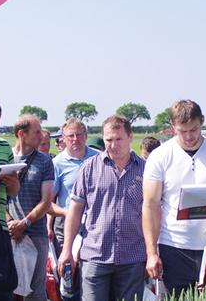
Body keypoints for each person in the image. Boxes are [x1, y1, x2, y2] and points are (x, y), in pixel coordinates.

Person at [143, 100, 206, 298]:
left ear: (202, 121)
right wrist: (152, 252)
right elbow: (150, 205)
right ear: (173, 127)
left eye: (194, 129)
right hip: (173, 246)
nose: (189, 136)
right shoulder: (160, 156)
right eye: (182, 131)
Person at [57, 115, 146, 301]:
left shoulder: (145, 170)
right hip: (95, 255)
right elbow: (75, 210)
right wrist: (66, 249)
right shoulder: (89, 168)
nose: (113, 145)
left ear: (130, 137)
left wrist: (153, 252)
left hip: (132, 256)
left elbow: (153, 213)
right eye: (108, 140)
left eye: (118, 139)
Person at [49, 118, 99, 300]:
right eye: (71, 136)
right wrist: (66, 212)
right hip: (66, 226)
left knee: (91, 274)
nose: (75, 139)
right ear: (63, 138)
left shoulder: (98, 158)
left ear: (86, 136)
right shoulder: (57, 163)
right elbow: (48, 202)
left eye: (79, 135)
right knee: (69, 275)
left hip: (94, 225)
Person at [9, 114, 55, 301]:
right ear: (21, 134)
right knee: (10, 289)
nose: (41, 136)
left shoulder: (44, 161)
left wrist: (24, 223)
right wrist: (11, 222)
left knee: (35, 291)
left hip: (36, 233)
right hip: (8, 233)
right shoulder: (6, 157)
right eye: (36, 132)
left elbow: (46, 201)